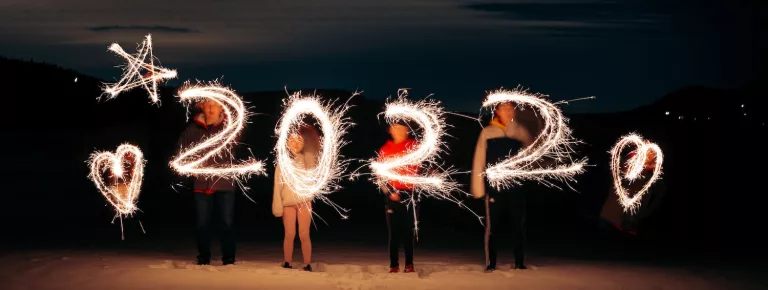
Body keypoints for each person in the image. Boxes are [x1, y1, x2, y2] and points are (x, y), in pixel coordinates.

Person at [471, 102, 534, 272]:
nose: (507, 111)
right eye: (503, 108)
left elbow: (530, 157)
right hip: (494, 189)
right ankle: (491, 263)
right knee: (493, 227)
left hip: (516, 187)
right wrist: (478, 188)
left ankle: (519, 262)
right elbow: (479, 160)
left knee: (518, 226)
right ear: (497, 111)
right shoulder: (488, 132)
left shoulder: (521, 132)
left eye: (510, 108)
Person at [177, 99, 238, 266]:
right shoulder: (191, 130)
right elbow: (181, 152)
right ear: (201, 106)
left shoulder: (230, 128)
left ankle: (229, 257)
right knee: (202, 223)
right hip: (201, 184)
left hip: (224, 183)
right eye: (208, 104)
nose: (211, 107)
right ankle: (203, 257)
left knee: (227, 222)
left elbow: (238, 148)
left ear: (221, 108)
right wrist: (191, 167)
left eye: (215, 104)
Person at [273, 125, 319, 272]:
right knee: (290, 234)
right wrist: (278, 205)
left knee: (304, 234)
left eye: (299, 140)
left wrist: (312, 139)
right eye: (292, 140)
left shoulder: (307, 160)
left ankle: (307, 263)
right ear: (286, 143)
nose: (296, 143)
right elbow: (277, 187)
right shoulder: (282, 164)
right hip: (288, 204)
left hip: (304, 202)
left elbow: (314, 166)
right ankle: (287, 261)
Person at [377, 120, 420, 273]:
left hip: (410, 194)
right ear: (390, 130)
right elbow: (380, 177)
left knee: (409, 231)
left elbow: (423, 166)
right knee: (394, 233)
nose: (398, 131)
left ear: (407, 130)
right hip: (392, 194)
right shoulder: (385, 149)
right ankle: (394, 265)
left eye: (402, 128)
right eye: (395, 128)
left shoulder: (415, 147)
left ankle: (409, 264)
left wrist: (431, 172)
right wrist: (389, 192)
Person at [600, 149, 666, 235]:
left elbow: (657, 198)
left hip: (627, 225)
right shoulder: (625, 168)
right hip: (609, 220)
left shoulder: (652, 179)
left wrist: (643, 214)